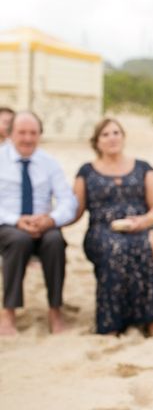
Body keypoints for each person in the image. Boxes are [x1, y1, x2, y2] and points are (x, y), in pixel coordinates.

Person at [72, 118, 153, 335]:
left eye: (116, 132)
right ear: (96, 141)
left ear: (123, 136)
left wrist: (144, 221)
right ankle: (113, 323)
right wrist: (50, 220)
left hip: (140, 224)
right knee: (114, 247)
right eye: (106, 134)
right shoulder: (86, 171)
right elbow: (75, 210)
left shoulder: (142, 167)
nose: (112, 138)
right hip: (102, 230)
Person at [0, 111, 77, 335]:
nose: (27, 138)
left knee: (55, 240)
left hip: (43, 224)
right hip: (8, 224)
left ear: (40, 135)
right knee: (18, 240)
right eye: (22, 132)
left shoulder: (49, 163)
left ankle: (55, 310)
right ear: (10, 133)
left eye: (33, 133)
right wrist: (17, 220)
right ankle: (9, 312)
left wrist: (50, 219)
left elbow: (68, 201)